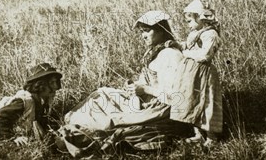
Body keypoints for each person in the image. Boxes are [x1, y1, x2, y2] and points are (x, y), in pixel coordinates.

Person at [56, 11, 195, 156]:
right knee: (101, 93)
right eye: (142, 32)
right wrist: (134, 87)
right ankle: (73, 127)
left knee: (105, 114)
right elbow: (151, 81)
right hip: (144, 100)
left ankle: (77, 132)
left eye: (147, 31)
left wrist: (144, 89)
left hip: (157, 109)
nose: (143, 35)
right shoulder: (157, 51)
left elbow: (175, 97)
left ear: (161, 30)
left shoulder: (170, 55)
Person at [167, 0, 223, 147]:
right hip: (191, 73)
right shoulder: (195, 33)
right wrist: (177, 45)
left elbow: (205, 55)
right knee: (192, 99)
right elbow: (189, 46)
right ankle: (198, 134)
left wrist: (186, 53)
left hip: (203, 73)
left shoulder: (210, 34)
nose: (189, 24)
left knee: (206, 101)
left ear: (201, 18)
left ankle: (211, 137)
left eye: (190, 20)